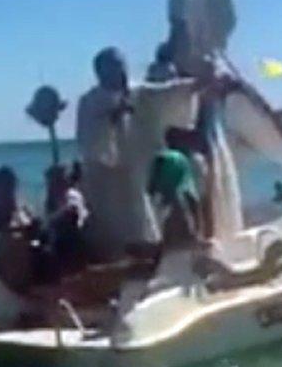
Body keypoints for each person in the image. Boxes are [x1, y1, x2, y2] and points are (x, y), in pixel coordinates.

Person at [76, 47, 198, 262]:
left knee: (154, 220)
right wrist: (112, 118)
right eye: (114, 68)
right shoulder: (89, 102)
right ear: (101, 73)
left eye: (122, 66)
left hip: (141, 174)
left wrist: (196, 86)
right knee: (118, 236)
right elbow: (90, 146)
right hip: (110, 185)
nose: (121, 73)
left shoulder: (139, 93)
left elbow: (167, 93)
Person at [0, 167, 42, 291]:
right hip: (0, 273)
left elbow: (36, 235)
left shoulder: (24, 210)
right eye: (3, 188)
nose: (7, 192)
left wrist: (33, 229)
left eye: (10, 187)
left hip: (28, 266)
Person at [147, 149, 203, 249]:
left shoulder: (165, 161)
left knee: (173, 208)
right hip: (175, 174)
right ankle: (190, 235)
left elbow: (153, 184)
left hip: (171, 173)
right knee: (180, 208)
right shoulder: (181, 161)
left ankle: (181, 236)